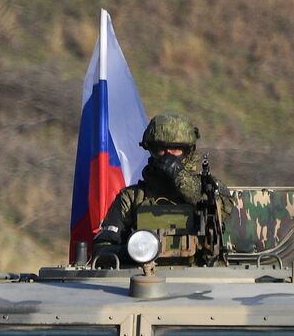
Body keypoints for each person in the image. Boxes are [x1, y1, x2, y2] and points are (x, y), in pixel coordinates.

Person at [93, 112, 234, 265]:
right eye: (160, 149)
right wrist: (136, 251)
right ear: (150, 150)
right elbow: (102, 250)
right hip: (147, 281)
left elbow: (222, 209)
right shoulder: (132, 198)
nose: (168, 156)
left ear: (188, 152)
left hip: (201, 278)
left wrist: (180, 178)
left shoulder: (209, 189)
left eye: (175, 150)